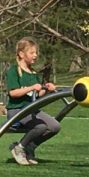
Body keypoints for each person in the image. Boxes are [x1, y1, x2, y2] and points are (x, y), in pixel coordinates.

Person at [6, 37, 60, 165]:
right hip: (17, 110)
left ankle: (30, 147)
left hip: (31, 110)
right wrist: (31, 87)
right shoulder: (13, 71)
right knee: (40, 126)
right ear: (21, 54)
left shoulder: (33, 73)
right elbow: (13, 93)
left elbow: (37, 94)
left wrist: (47, 89)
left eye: (36, 53)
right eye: (32, 53)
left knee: (54, 126)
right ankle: (19, 148)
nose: (35, 56)